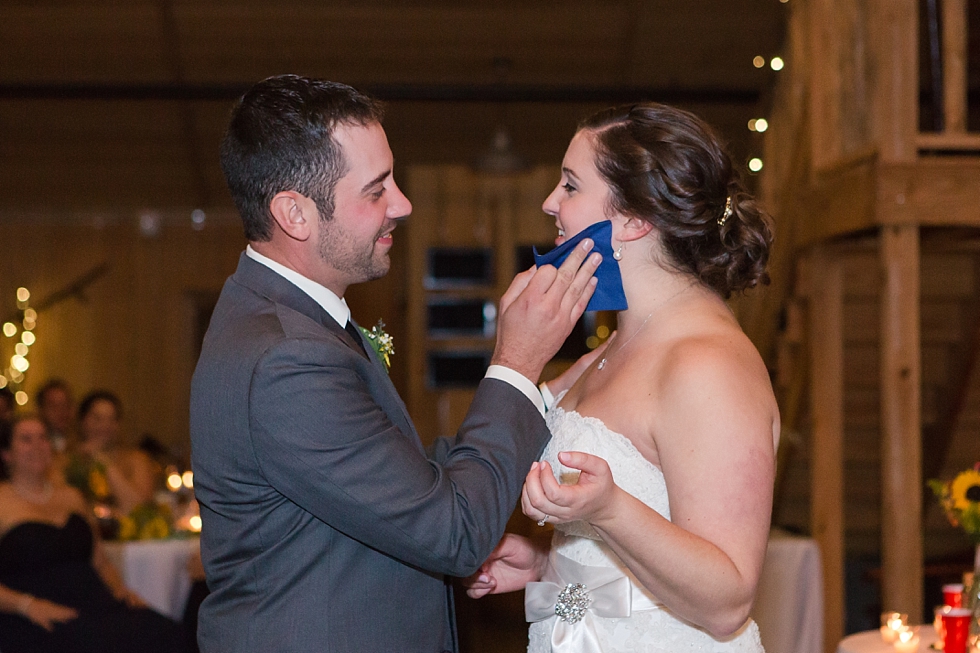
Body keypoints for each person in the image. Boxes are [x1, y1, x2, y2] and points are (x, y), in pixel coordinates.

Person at [189, 74, 601, 653]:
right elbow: (454, 531)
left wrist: (541, 393)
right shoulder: (285, 357)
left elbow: (392, 475)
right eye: (376, 190)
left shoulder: (288, 321)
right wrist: (515, 363)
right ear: (295, 214)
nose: (402, 205)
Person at [464, 103, 779, 653]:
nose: (549, 203)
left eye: (569, 186)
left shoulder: (707, 363)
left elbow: (727, 601)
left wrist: (609, 509)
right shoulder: (610, 348)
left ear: (633, 219)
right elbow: (622, 587)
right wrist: (545, 568)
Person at [0, 415, 185, 653]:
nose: (37, 446)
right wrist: (28, 606)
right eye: (26, 439)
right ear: (6, 453)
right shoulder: (3, 501)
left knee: (167, 632)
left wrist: (122, 591)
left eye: (43, 438)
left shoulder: (72, 496)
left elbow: (99, 561)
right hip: (35, 613)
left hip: (95, 602)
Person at [65, 391, 159, 515]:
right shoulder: (66, 461)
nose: (105, 426)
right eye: (97, 419)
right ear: (82, 421)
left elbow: (139, 510)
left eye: (112, 419)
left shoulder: (136, 460)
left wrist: (103, 462)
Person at [36, 378, 74, 454]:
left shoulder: (80, 442)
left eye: (66, 405)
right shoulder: (36, 444)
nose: (61, 411)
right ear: (41, 410)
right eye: (54, 406)